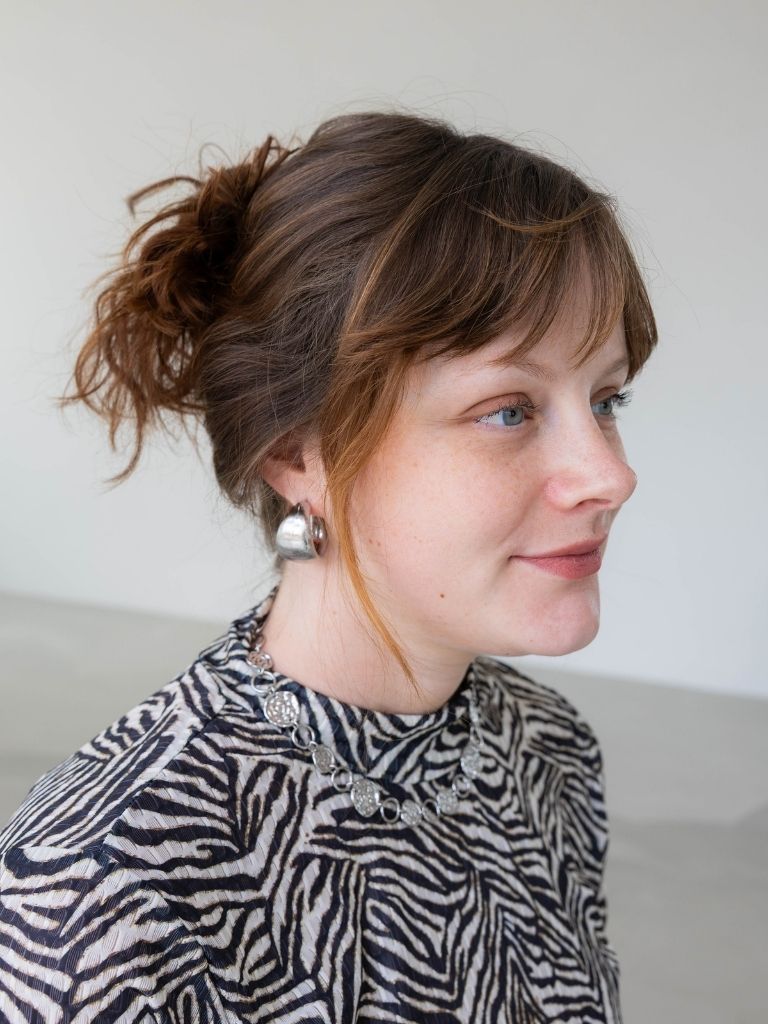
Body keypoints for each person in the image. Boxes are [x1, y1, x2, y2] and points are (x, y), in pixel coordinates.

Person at [0, 108, 657, 1023]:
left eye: (606, 398)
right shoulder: (102, 892)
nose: (611, 476)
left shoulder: (545, 749)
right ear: (296, 451)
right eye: (508, 409)